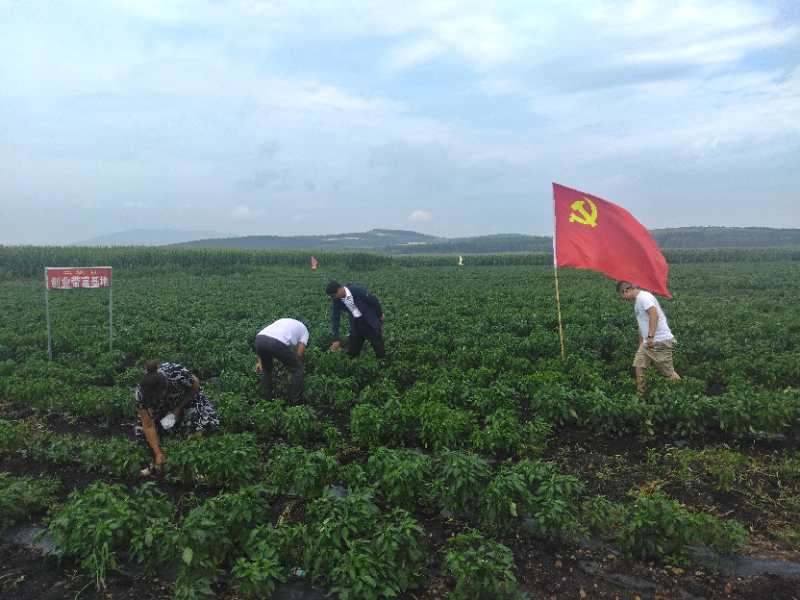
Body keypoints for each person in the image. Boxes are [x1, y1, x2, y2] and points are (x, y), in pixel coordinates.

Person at [135, 361, 219, 474]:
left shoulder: (175, 373)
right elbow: (148, 425)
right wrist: (158, 452)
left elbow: (195, 386)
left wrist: (179, 408)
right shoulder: (141, 393)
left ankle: (196, 460)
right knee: (141, 431)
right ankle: (157, 461)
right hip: (163, 409)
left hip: (187, 400)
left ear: (165, 388)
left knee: (202, 420)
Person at [617, 281, 681, 393]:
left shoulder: (644, 297)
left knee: (668, 373)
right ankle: (641, 392)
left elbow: (654, 314)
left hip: (660, 340)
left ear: (626, 290)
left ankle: (683, 391)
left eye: (622, 295)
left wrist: (650, 337)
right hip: (648, 342)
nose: (623, 299)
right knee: (639, 364)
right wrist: (641, 343)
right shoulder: (638, 301)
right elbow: (642, 325)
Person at [325, 280, 385, 358]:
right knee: (353, 349)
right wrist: (336, 339)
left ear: (340, 289)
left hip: (369, 321)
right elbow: (335, 319)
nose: (333, 298)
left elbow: (373, 300)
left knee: (378, 346)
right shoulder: (336, 301)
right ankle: (352, 363)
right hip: (356, 323)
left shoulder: (356, 290)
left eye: (334, 295)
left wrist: (380, 314)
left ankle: (382, 362)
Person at [254, 318, 308, 403]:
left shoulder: (283, 320)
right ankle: (296, 401)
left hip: (259, 339)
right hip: (276, 343)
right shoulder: (305, 330)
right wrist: (293, 369)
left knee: (266, 370)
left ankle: (266, 400)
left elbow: (267, 339)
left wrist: (260, 361)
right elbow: (299, 354)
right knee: (298, 369)